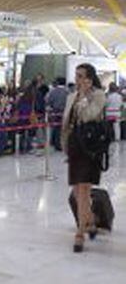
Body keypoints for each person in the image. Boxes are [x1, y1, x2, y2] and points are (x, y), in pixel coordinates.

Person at [61, 63, 105, 253]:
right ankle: (91, 220)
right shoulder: (71, 96)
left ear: (89, 78)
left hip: (90, 147)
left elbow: (89, 116)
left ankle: (80, 234)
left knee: (84, 188)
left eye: (81, 76)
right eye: (76, 76)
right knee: (77, 190)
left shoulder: (98, 95)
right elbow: (67, 122)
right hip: (74, 145)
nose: (77, 80)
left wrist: (86, 97)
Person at [46, 77, 69, 151]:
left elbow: (49, 101)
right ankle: (59, 144)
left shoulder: (53, 91)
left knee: (55, 127)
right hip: (64, 112)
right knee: (62, 128)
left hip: (54, 111)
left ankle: (53, 142)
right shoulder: (67, 92)